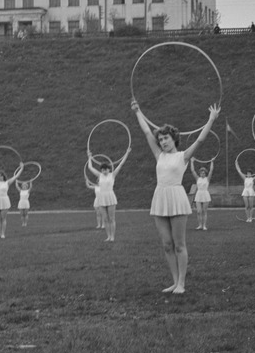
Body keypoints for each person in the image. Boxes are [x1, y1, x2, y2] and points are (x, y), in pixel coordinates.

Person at [131, 99, 220, 294]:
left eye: (166, 138)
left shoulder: (183, 156)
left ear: (174, 139)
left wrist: (211, 120)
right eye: (161, 139)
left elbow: (200, 140)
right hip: (160, 197)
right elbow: (147, 132)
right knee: (166, 244)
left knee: (179, 244)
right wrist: (138, 111)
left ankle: (182, 283)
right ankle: (174, 281)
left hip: (177, 197)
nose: (163, 142)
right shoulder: (158, 155)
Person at [86, 151, 130, 243]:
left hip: (110, 197)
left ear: (109, 169)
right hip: (102, 198)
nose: (104, 171)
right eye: (102, 169)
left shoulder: (112, 175)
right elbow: (90, 167)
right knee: (105, 219)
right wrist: (89, 157)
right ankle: (108, 236)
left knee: (111, 218)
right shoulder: (100, 175)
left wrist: (126, 153)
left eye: (106, 169)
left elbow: (121, 164)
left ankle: (112, 237)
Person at [190, 159, 214, 230]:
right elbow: (192, 170)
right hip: (198, 194)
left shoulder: (207, 179)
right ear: (200, 173)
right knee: (198, 211)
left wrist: (212, 162)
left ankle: (204, 225)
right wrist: (192, 162)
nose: (202, 174)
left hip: (205, 194)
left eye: (203, 173)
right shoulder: (197, 178)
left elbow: (211, 171)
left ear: (205, 173)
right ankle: (200, 225)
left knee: (204, 211)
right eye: (201, 173)